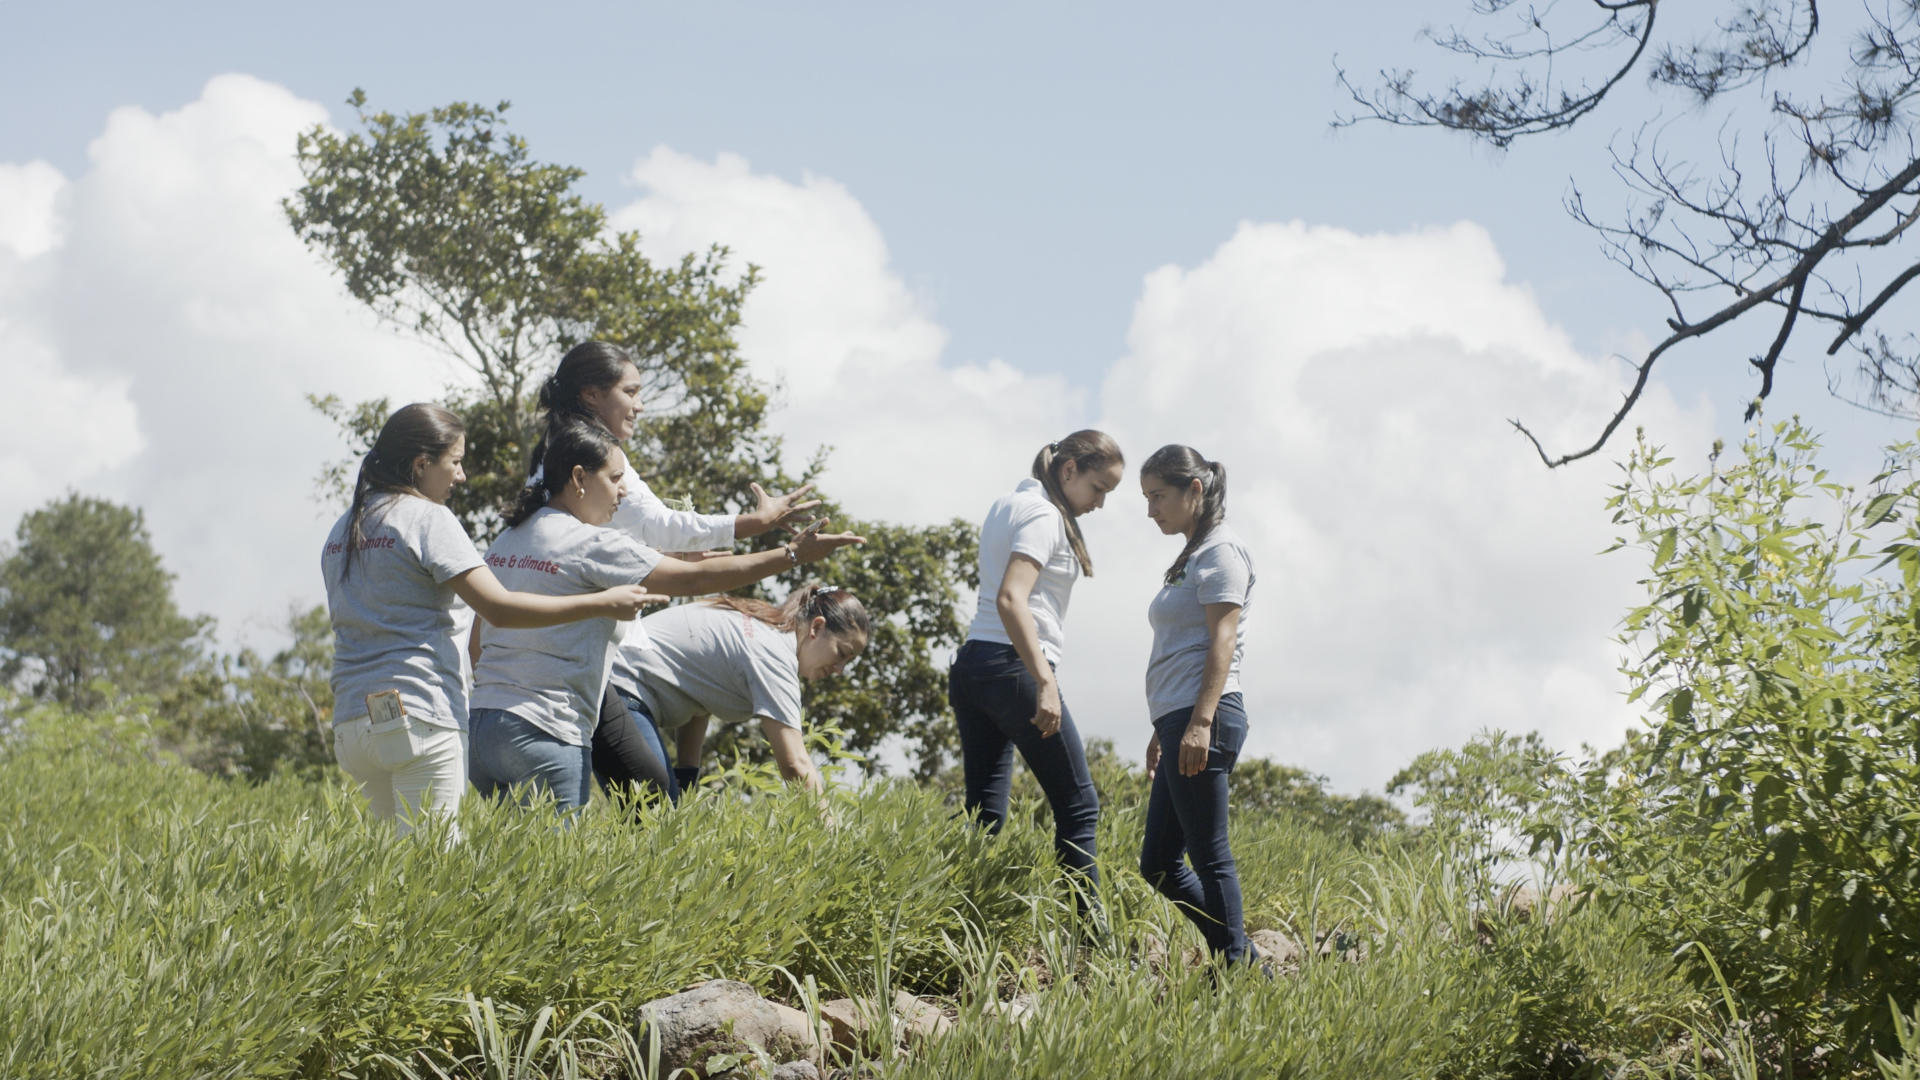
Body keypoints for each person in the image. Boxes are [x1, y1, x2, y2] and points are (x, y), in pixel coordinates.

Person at [468, 417, 862, 815]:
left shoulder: (510, 537)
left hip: (484, 728)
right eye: (616, 478)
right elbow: (693, 580)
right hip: (545, 729)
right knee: (552, 871)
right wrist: (791, 555)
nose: (623, 492)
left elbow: (477, 637)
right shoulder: (590, 542)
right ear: (579, 478)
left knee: (509, 869)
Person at [321, 403, 655, 839]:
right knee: (432, 866)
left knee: (392, 867)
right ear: (422, 464)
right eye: (455, 463)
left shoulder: (344, 529)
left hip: (352, 722)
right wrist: (601, 603)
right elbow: (498, 608)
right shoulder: (427, 519)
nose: (461, 476)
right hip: (418, 715)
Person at [530, 340, 822, 803]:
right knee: (648, 808)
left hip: (555, 657)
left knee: (633, 807)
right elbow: (660, 526)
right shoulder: (599, 457)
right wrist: (756, 527)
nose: (640, 405)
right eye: (631, 391)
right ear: (591, 396)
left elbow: (625, 538)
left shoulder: (553, 454)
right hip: (578, 663)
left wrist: (683, 556)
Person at [948, 430, 1125, 904]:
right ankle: (1089, 944)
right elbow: (1011, 598)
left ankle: (959, 925)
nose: (1101, 503)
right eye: (1099, 489)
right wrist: (1044, 681)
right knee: (1079, 807)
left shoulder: (1007, 504)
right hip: (1015, 668)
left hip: (973, 665)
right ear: (1069, 471)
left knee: (983, 815)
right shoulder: (1045, 515)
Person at [1137, 444, 1256, 965]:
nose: (1150, 510)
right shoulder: (1193, 552)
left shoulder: (1220, 553)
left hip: (1204, 715)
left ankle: (1239, 969)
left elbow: (1221, 642)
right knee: (1160, 863)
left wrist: (1199, 722)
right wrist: (1164, 727)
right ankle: (1242, 958)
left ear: (1195, 490)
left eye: (1158, 496)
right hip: (1179, 717)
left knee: (1210, 855)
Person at [608, 585, 869, 800]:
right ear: (817, 627)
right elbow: (796, 765)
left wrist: (687, 776)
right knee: (656, 810)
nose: (839, 669)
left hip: (614, 682)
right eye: (842, 653)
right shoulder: (774, 653)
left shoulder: (764, 628)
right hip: (619, 686)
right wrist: (833, 837)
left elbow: (699, 701)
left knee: (661, 813)